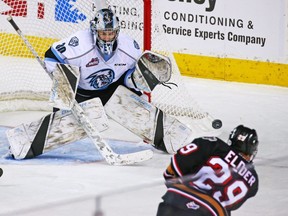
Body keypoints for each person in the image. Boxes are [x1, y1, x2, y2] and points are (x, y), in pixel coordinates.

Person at [44, 8, 142, 105]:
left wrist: (137, 81)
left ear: (116, 32)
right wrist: (64, 82)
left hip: (111, 92)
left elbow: (135, 71)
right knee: (64, 79)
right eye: (103, 33)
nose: (107, 38)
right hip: (80, 93)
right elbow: (51, 56)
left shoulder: (128, 47)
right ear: (94, 30)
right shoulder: (80, 44)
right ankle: (62, 113)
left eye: (111, 33)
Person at [156, 125, 259, 216]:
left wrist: (174, 183)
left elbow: (177, 165)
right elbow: (231, 206)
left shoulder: (213, 144)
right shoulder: (253, 180)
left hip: (176, 200)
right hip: (211, 210)